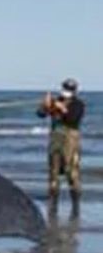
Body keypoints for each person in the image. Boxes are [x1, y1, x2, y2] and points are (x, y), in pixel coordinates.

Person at [36, 78, 86, 214]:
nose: (66, 92)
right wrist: (45, 105)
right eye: (65, 88)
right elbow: (41, 114)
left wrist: (62, 108)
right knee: (53, 170)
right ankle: (53, 201)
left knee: (71, 171)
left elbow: (72, 119)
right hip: (55, 138)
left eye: (69, 89)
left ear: (74, 91)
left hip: (70, 139)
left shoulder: (78, 104)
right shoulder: (57, 100)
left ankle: (75, 204)